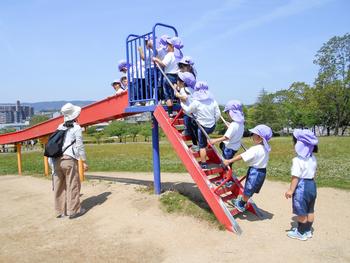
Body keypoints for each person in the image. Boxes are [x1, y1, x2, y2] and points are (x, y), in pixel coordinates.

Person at [223, 125, 272, 212]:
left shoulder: (255, 149)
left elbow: (241, 156)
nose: (252, 136)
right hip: (262, 171)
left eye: (254, 134)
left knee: (249, 188)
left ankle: (241, 204)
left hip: (255, 172)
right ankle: (242, 201)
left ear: (260, 138)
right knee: (251, 188)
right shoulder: (265, 148)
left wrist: (229, 161)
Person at [53, 103, 88, 219]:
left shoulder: (59, 126)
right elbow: (79, 146)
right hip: (68, 159)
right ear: (75, 115)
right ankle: (73, 210)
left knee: (59, 186)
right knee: (72, 184)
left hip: (56, 159)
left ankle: (60, 211)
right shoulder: (76, 128)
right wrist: (83, 161)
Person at [285, 129, 318, 241]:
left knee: (301, 211)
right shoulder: (313, 158)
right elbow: (314, 173)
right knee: (310, 210)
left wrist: (290, 190)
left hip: (302, 187)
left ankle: (301, 233)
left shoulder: (297, 160)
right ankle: (308, 230)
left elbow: (295, 177)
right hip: (312, 185)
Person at [181, 81, 221, 169]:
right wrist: (214, 121)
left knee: (202, 146)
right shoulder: (212, 101)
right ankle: (199, 143)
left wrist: (182, 104)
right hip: (212, 126)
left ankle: (204, 163)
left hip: (202, 127)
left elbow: (188, 111)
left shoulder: (196, 102)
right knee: (200, 134)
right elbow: (218, 114)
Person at [153, 37, 183, 117]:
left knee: (167, 95)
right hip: (177, 77)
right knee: (174, 93)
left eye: (168, 45)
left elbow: (164, 64)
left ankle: (170, 113)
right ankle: (178, 111)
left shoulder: (169, 55)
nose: (167, 46)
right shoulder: (179, 55)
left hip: (169, 76)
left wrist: (156, 59)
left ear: (172, 46)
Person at [174, 72, 197, 148]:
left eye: (178, 80)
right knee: (194, 129)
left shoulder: (183, 89)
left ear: (182, 82)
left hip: (188, 113)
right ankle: (197, 144)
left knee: (191, 129)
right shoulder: (191, 89)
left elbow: (184, 98)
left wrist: (178, 95)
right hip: (194, 113)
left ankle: (195, 144)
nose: (177, 82)